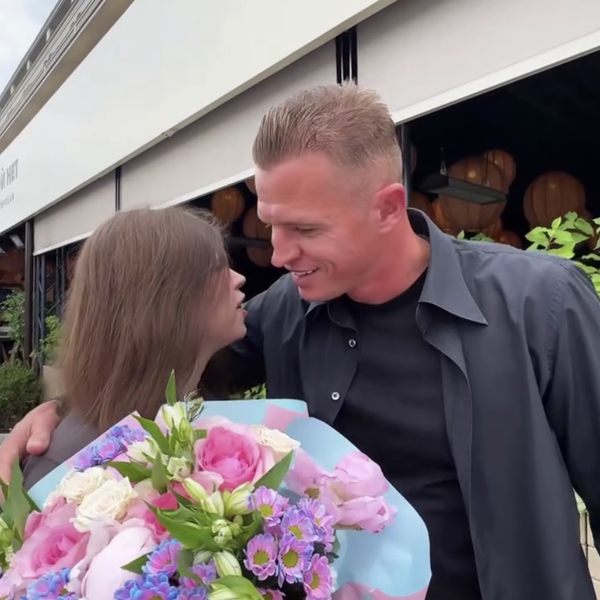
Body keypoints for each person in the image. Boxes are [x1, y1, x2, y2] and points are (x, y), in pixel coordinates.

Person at [3, 83, 600, 599]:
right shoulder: (284, 311)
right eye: (271, 225)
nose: (279, 255)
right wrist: (59, 415)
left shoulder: (540, 303)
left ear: (388, 208)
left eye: (305, 229)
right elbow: (157, 363)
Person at [19, 206, 246, 489]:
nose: (239, 278)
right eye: (216, 268)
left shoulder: (202, 408)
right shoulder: (67, 468)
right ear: (165, 299)